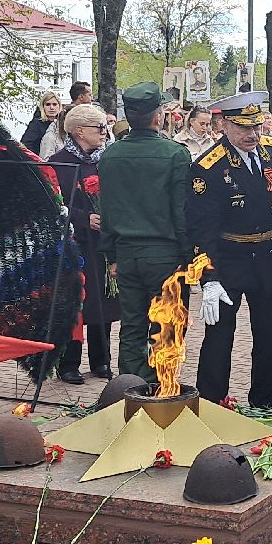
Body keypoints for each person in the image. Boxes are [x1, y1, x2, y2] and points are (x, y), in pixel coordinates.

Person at [190, 91, 272, 409]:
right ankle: (211, 403)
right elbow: (201, 229)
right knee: (219, 338)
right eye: (243, 128)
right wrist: (207, 278)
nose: (252, 135)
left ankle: (263, 403)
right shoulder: (209, 167)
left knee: (270, 337)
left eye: (256, 126)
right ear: (223, 125)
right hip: (228, 261)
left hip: (267, 258)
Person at [98, 82, 191, 382]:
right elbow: (181, 212)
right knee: (167, 326)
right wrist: (189, 256)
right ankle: (160, 390)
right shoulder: (175, 154)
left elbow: (108, 210)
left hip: (126, 253)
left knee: (132, 325)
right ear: (157, 116)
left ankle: (129, 388)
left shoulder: (110, 156)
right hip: (165, 253)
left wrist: (111, 254)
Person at [49, 102, 112, 384]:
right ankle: (68, 363)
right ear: (78, 131)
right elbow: (53, 206)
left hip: (103, 242)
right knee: (74, 301)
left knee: (103, 301)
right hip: (73, 242)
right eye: (98, 128)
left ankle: (102, 360)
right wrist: (85, 218)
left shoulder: (105, 160)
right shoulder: (58, 163)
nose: (104, 132)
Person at [22, 89, 64, 154]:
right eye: (48, 104)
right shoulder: (36, 124)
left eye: (54, 104)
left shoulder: (63, 123)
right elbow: (26, 146)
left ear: (59, 106)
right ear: (43, 107)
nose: (51, 107)